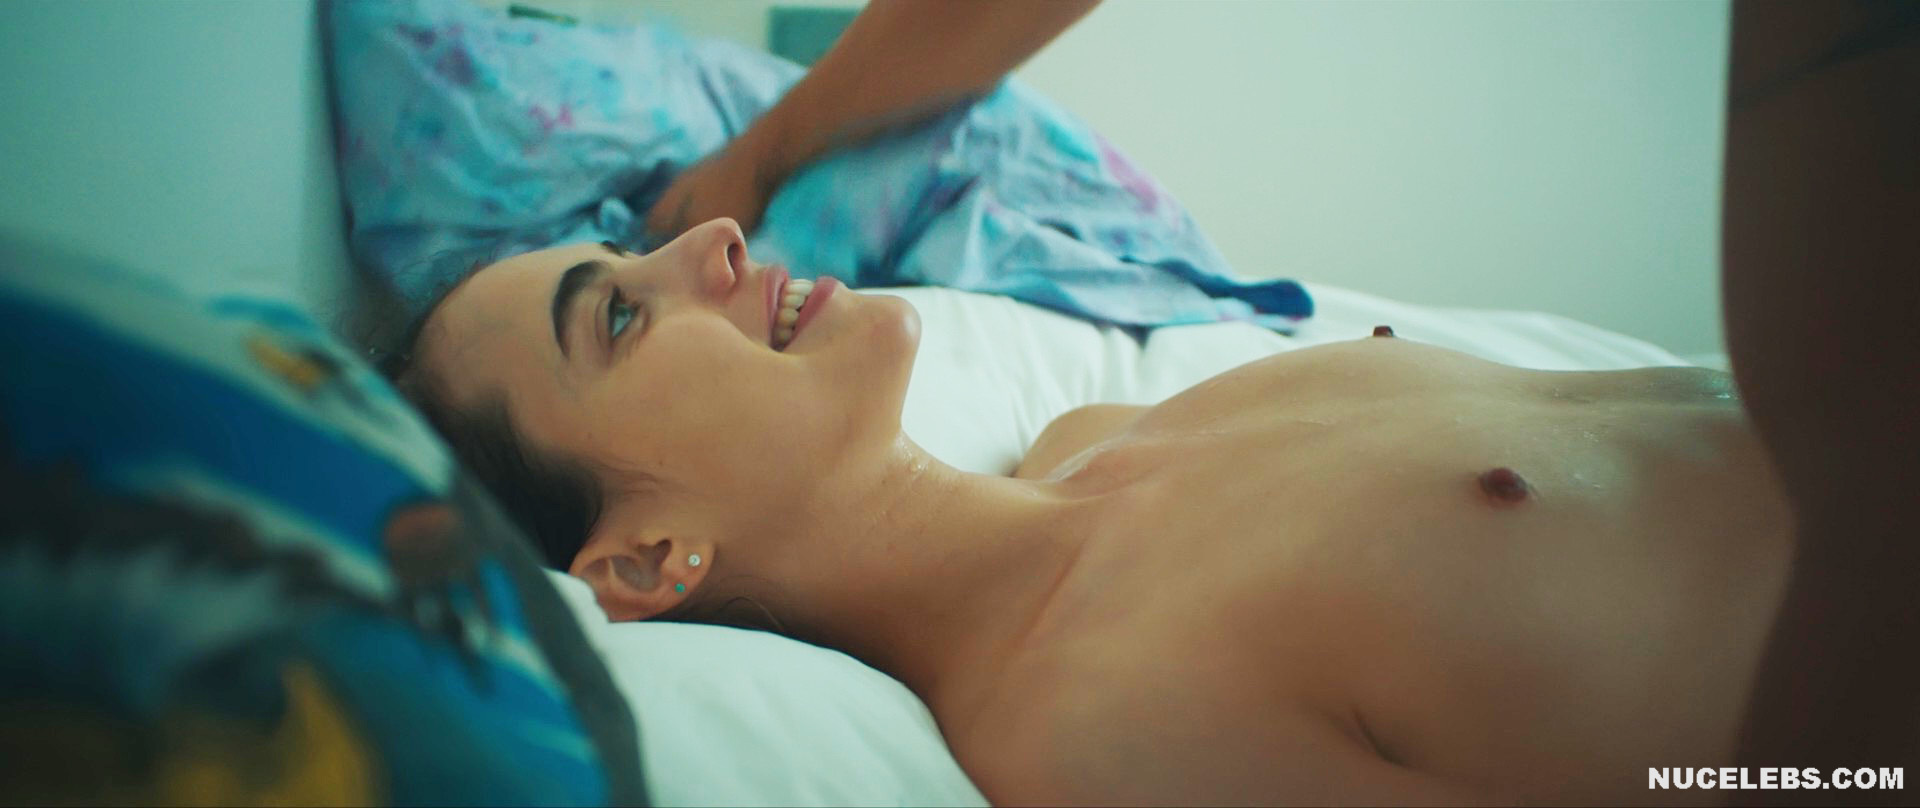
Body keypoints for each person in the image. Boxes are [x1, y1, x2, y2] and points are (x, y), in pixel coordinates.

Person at [388, 0, 1919, 803]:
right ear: (647, 562)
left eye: (639, 254)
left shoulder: (1102, 433)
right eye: (620, 314)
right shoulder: (1095, 737)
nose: (711, 243)